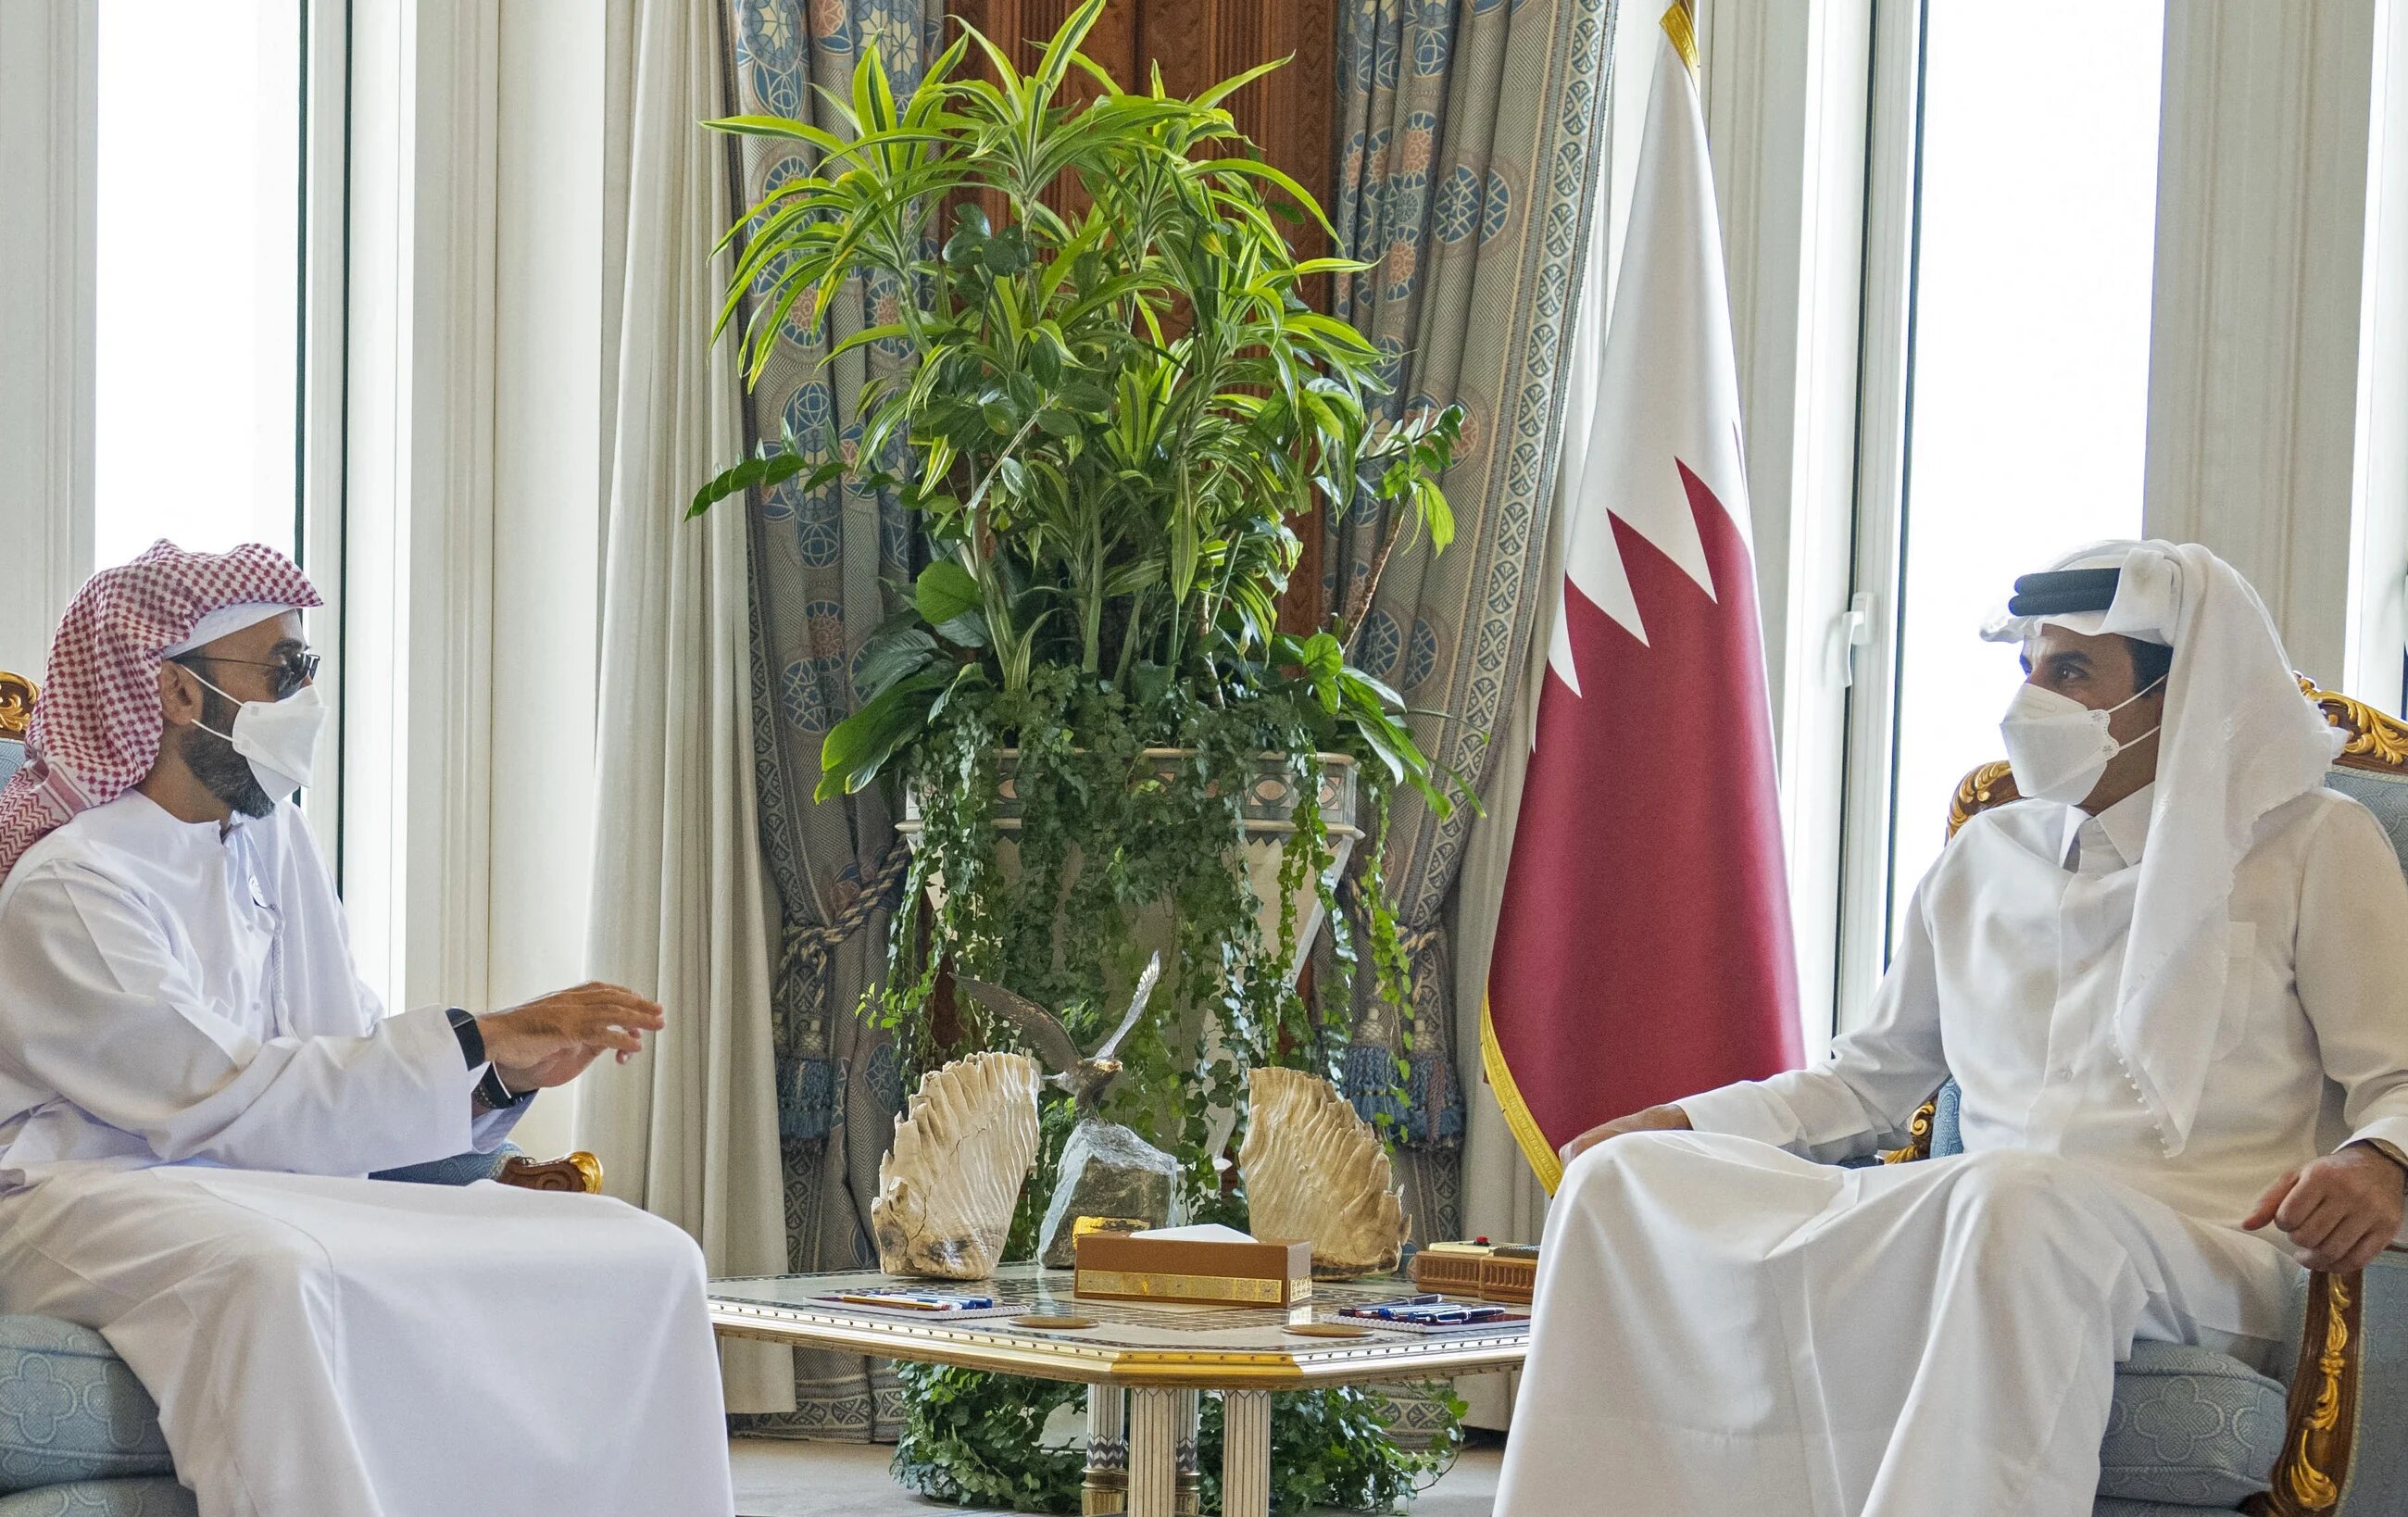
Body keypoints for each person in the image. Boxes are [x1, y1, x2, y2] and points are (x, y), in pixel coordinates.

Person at [1496, 540, 2408, 1517]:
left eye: (2069, 673)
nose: (2030, 701)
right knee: (1624, 1183)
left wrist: (2379, 1162)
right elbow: (1864, 1085)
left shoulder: (2312, 842)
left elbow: (2396, 1077)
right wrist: (1681, 1124)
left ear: (2174, 695)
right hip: (1984, 1221)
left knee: (2014, 1199)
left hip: (2206, 1256)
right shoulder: (1984, 854)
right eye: (2027, 669)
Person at [0, 542, 734, 1517]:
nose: (307, 698)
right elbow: (216, 1098)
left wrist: (497, 1078)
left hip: (270, 1174)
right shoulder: (69, 882)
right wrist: (476, 1037)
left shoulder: (274, 837)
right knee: (278, 1276)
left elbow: (338, 1047)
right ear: (176, 693)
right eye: (285, 671)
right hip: (84, 1191)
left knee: (643, 1252)